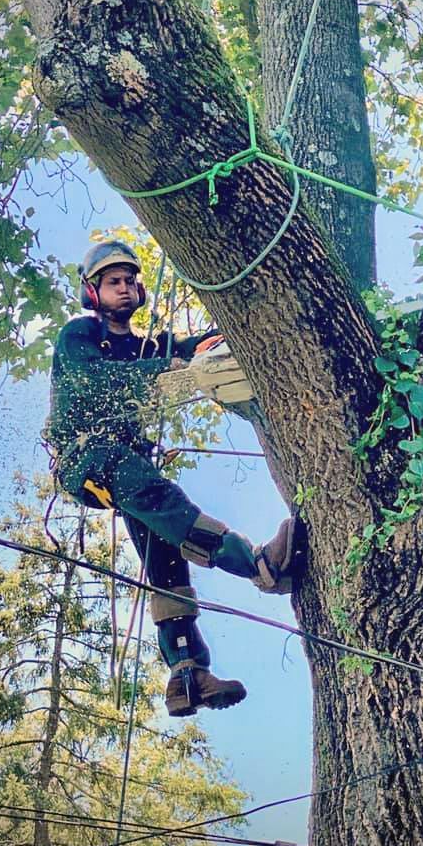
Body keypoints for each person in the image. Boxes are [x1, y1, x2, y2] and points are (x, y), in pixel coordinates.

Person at [45, 240, 305, 716]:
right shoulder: (80, 335)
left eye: (129, 281)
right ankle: (259, 566)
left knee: (163, 550)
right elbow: (90, 382)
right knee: (163, 500)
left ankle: (187, 672)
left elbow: (189, 347)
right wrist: (161, 368)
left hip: (122, 458)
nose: (124, 289)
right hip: (89, 455)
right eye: (112, 282)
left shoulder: (146, 344)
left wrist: (209, 345)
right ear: (93, 290)